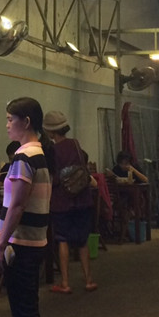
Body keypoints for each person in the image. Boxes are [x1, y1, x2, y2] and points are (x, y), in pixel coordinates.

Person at [0, 97, 52, 317]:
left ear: (25, 122)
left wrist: (0, 246)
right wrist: (3, 231)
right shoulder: (38, 154)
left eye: (9, 119)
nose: (6, 125)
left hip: (23, 247)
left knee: (25, 315)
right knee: (28, 313)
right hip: (32, 242)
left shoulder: (24, 156)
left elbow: (17, 206)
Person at [43, 110, 97, 294]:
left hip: (62, 201)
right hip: (82, 198)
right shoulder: (75, 144)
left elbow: (52, 177)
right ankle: (88, 280)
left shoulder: (51, 150)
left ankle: (65, 283)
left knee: (62, 240)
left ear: (50, 131)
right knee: (83, 241)